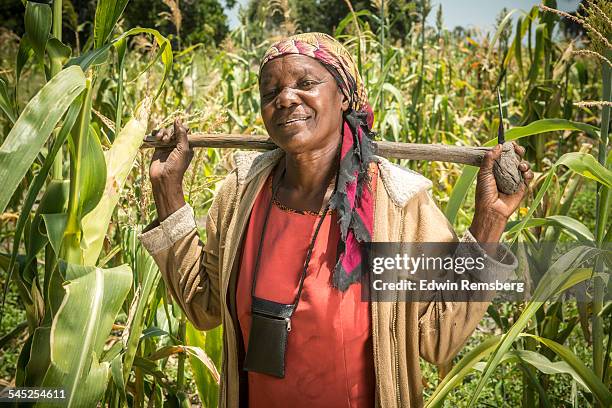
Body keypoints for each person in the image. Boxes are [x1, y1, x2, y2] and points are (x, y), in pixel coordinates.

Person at [139, 32, 533, 408]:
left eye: (306, 83)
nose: (286, 98)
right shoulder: (242, 195)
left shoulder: (396, 206)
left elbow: (437, 338)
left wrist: (490, 222)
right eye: (270, 92)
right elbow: (203, 306)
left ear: (343, 96)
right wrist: (168, 192)